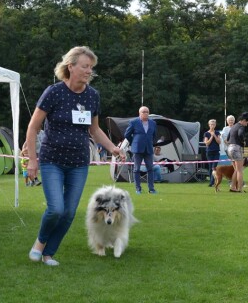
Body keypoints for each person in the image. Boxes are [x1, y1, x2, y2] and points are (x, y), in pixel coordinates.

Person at [26, 46, 123, 266]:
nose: (89, 71)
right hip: (52, 160)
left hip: (79, 163)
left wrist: (112, 148)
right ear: (71, 67)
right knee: (56, 209)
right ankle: (40, 242)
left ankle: (49, 254)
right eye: (85, 66)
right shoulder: (54, 92)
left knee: (69, 213)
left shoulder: (92, 96)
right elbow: (33, 127)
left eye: (91, 67)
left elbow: (95, 130)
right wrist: (33, 160)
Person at [124, 106, 157, 194]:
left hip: (149, 149)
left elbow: (154, 135)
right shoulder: (133, 122)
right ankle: (138, 189)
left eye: (147, 112)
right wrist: (134, 142)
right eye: (143, 112)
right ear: (139, 113)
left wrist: (151, 143)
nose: (146, 113)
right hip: (137, 149)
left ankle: (151, 189)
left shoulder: (153, 123)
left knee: (150, 169)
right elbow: (127, 134)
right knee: (136, 169)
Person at [226, 112, 248, 193]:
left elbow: (228, 138)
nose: (246, 124)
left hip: (229, 148)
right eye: (246, 122)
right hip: (236, 148)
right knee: (240, 170)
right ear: (243, 120)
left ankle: (233, 187)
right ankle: (240, 189)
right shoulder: (241, 127)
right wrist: (243, 141)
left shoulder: (234, 126)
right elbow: (240, 134)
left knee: (236, 170)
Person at [204, 119, 221, 187]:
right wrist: (211, 136)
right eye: (211, 124)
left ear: (215, 125)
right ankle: (212, 182)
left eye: (213, 124)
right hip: (209, 152)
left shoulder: (217, 133)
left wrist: (214, 135)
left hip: (216, 152)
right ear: (209, 125)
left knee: (214, 167)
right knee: (210, 167)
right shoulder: (206, 133)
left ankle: (212, 182)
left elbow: (219, 142)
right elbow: (207, 143)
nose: (212, 126)